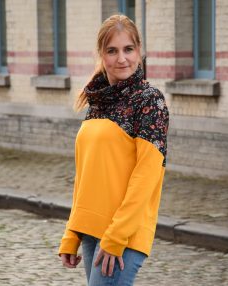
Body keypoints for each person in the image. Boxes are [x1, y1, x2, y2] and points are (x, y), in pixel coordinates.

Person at [59, 14, 169, 286]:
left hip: (124, 234)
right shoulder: (98, 102)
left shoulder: (149, 100)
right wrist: (72, 233)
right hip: (91, 229)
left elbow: (147, 176)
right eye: (112, 51)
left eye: (128, 49)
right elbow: (85, 175)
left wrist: (117, 236)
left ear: (139, 51)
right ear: (101, 55)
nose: (122, 59)